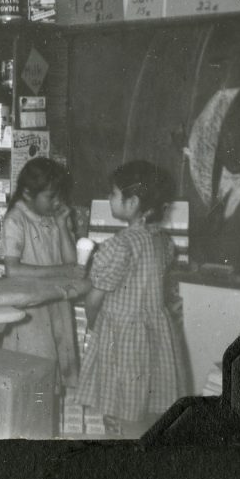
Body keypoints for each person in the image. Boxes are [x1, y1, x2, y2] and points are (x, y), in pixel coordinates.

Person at [77, 160, 184, 438]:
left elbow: (94, 298)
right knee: (146, 402)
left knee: (118, 402)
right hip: (155, 332)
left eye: (112, 194)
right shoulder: (163, 240)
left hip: (121, 336)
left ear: (132, 201)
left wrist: (92, 325)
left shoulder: (119, 245)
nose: (109, 199)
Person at [0, 157, 79, 387]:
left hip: (57, 304)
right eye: (50, 197)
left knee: (57, 374)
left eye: (59, 195)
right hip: (31, 312)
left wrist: (63, 226)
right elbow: (12, 270)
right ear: (27, 194)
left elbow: (72, 264)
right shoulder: (16, 219)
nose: (57, 202)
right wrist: (60, 271)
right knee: (34, 378)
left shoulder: (56, 216)